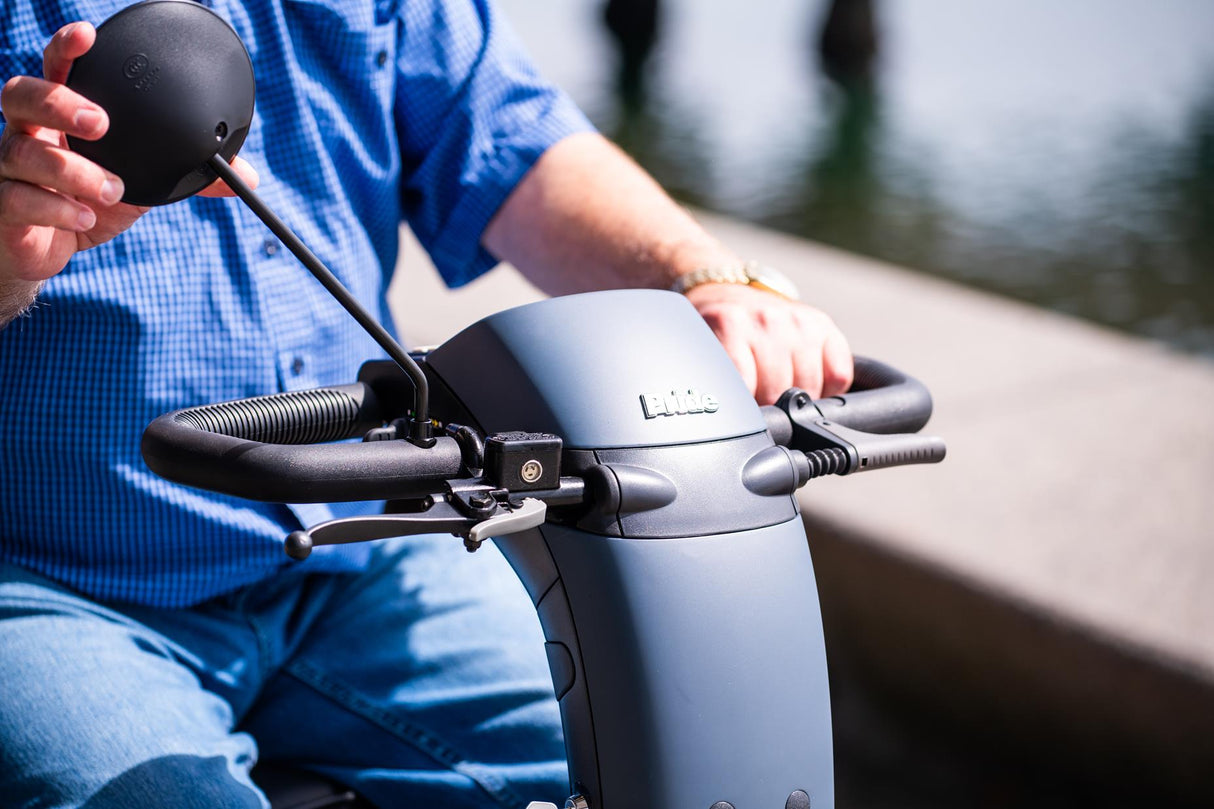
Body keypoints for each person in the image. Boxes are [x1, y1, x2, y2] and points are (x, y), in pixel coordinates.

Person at [0, 1, 853, 806]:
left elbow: (510, 137)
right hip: (51, 581)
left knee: (682, 756)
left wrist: (701, 279)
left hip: (365, 552)